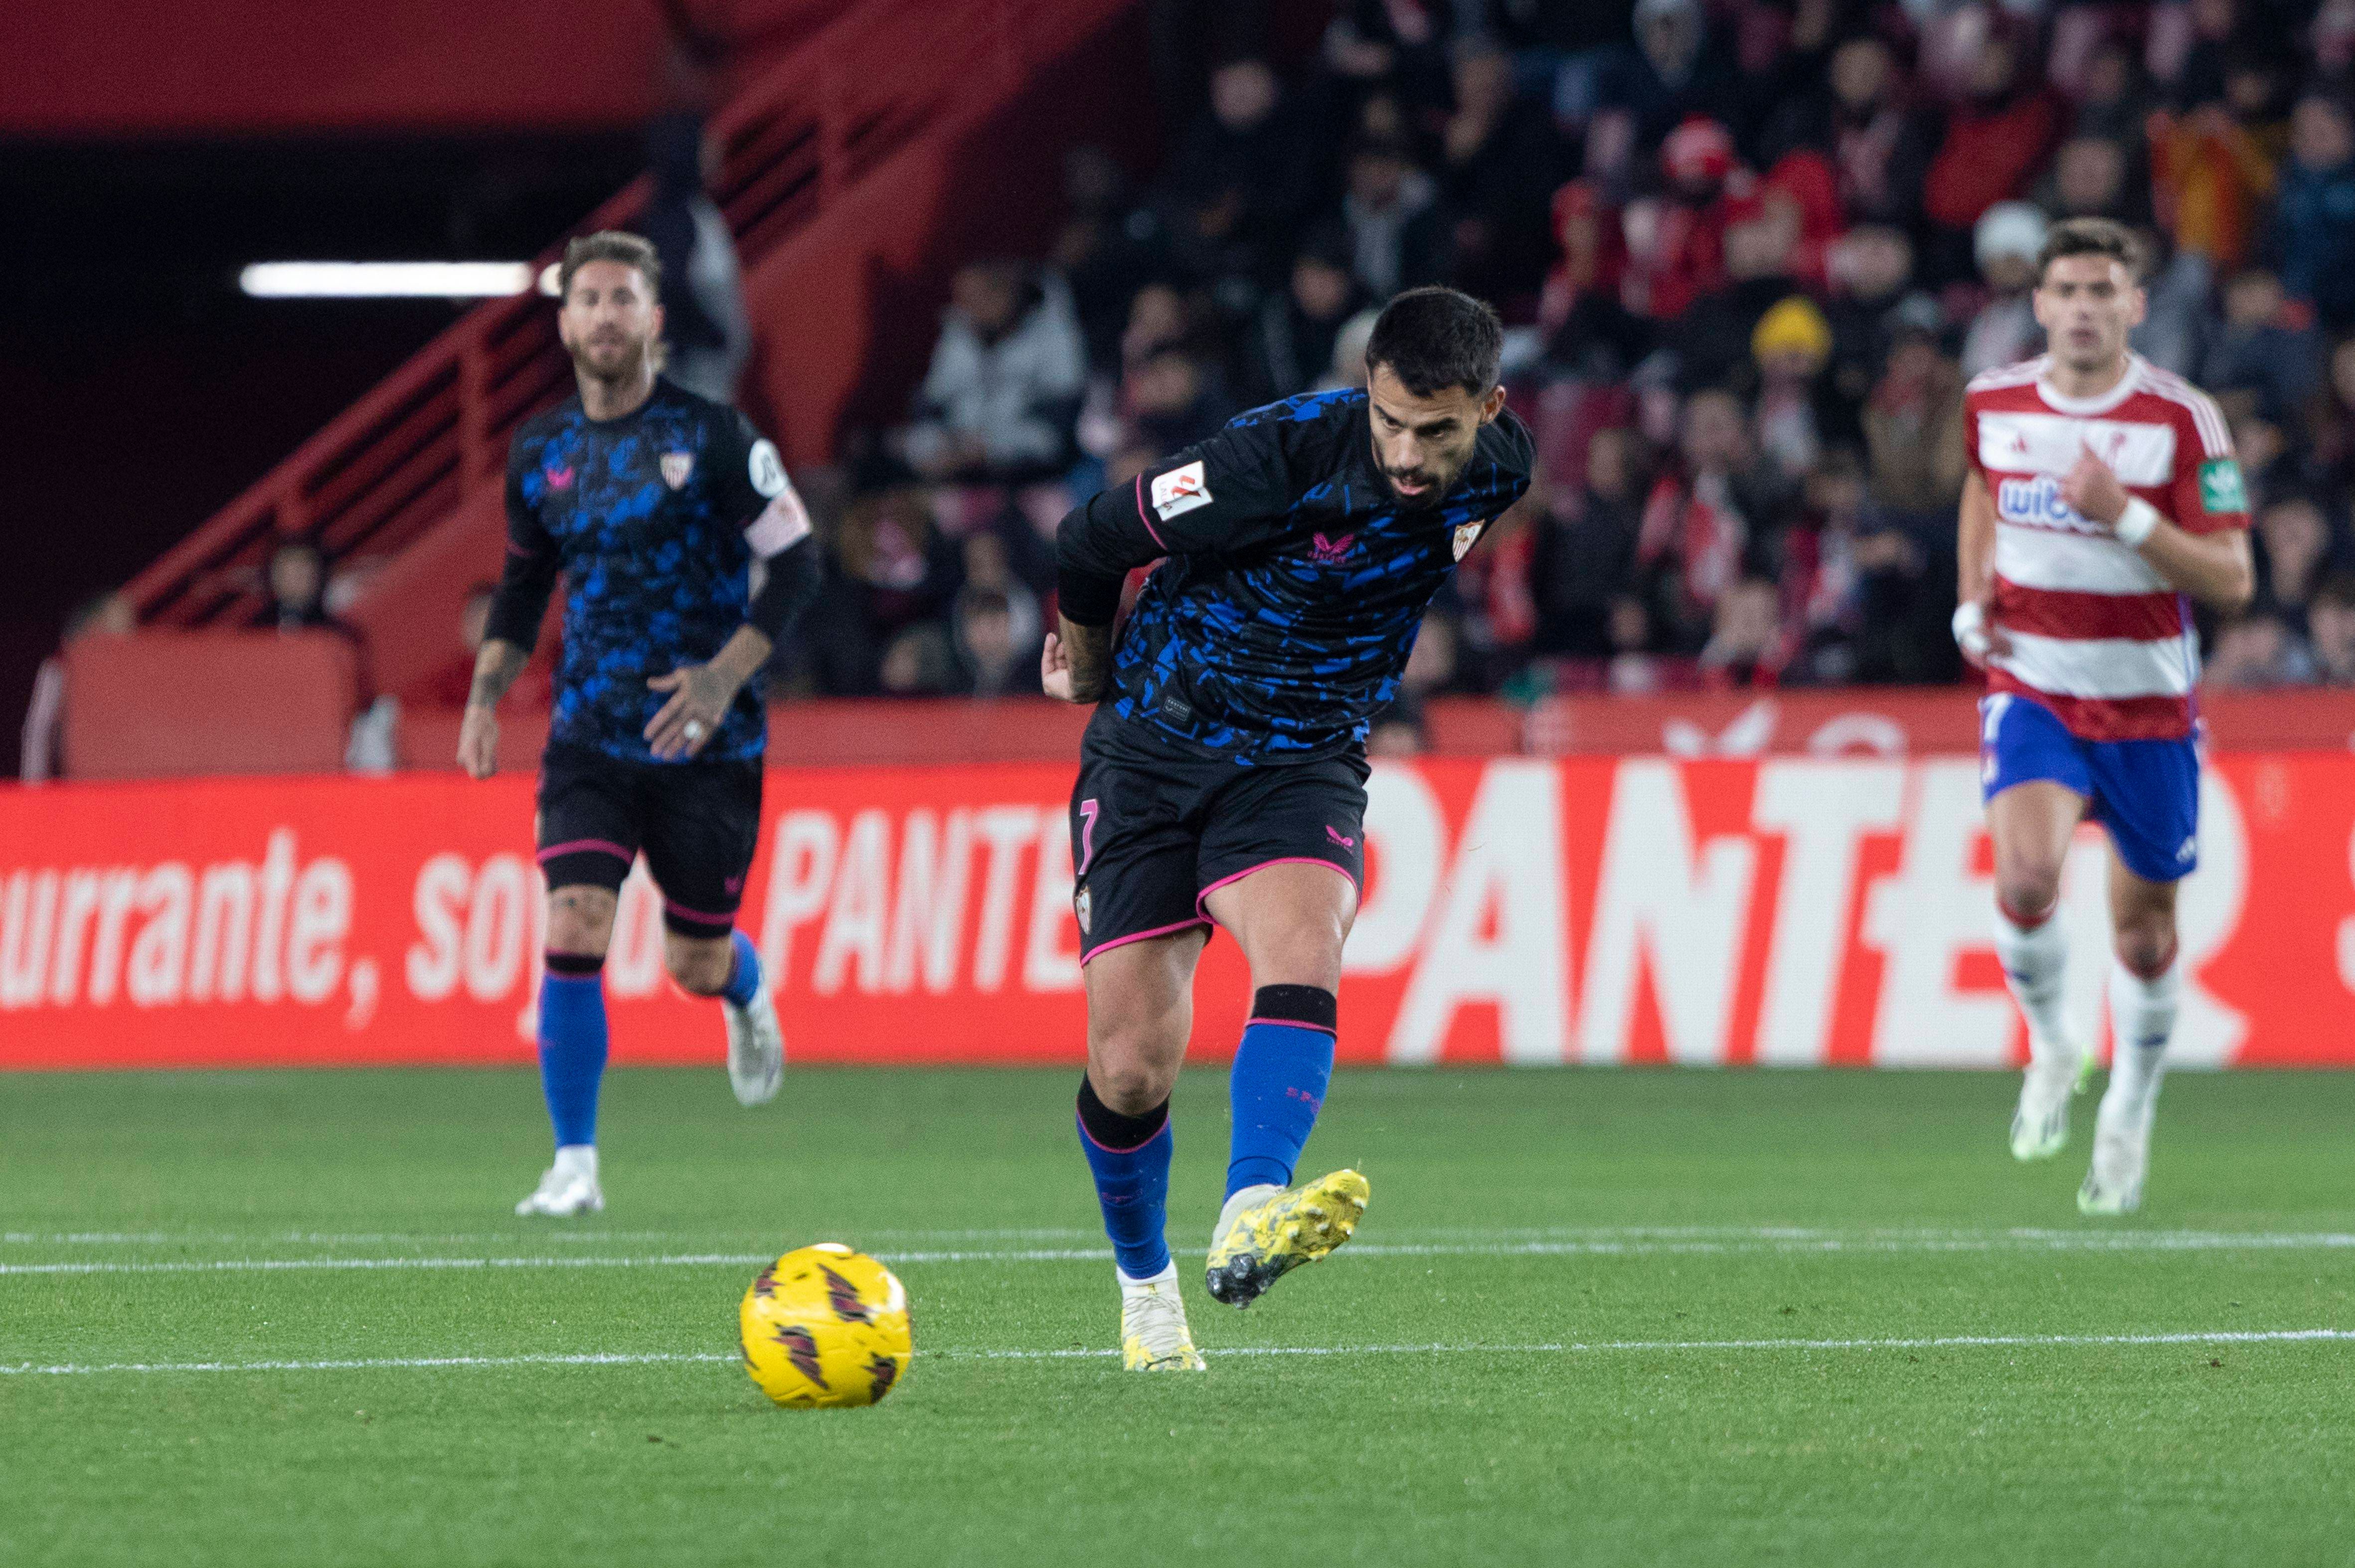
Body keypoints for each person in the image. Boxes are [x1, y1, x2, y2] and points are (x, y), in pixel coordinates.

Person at [1043, 287, 1532, 1370]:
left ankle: (1253, 1202)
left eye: (1437, 432)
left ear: (1489, 409)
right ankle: (1146, 1294)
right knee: (1129, 1069)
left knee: (1305, 947)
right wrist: (1082, 657)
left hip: (1300, 757)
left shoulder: (1505, 469)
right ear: (1367, 391)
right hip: (1153, 747)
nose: (1408, 455)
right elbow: (1090, 536)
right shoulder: (1271, 462)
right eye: (1391, 421)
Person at [459, 231, 824, 1218]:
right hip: (590, 735)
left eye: (625, 298)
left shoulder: (713, 437)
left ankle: (743, 989)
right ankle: (573, 1163)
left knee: (690, 962)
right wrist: (488, 693)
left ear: (654, 321)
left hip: (707, 742)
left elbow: (796, 564)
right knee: (573, 924)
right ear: (566, 320)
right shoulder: (540, 452)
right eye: (590, 298)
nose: (607, 314)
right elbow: (526, 580)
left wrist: (720, 678)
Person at [1954, 218, 2254, 1216]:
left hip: (2146, 707)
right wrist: (1971, 597)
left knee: (2141, 939)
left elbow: (2233, 578)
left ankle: (2132, 1101)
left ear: (2135, 304)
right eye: (2066, 291)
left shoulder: (2182, 421)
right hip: (2033, 684)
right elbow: (1980, 488)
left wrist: (2123, 513)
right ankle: (2051, 1046)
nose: (2083, 308)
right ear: (2037, 305)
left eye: (2102, 291)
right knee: (2027, 876)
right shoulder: (1993, 401)